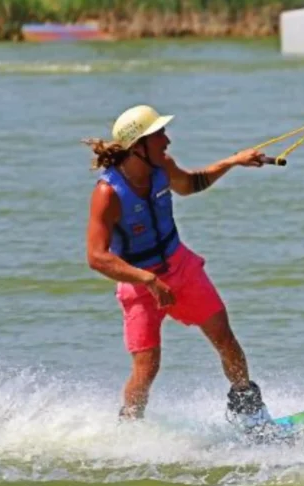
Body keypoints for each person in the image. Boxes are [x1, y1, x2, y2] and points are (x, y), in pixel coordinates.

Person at [83, 104, 274, 433]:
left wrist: (233, 161)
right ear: (139, 146)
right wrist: (147, 279)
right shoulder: (108, 193)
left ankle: (253, 420)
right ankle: (128, 432)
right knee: (147, 366)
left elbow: (192, 184)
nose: (167, 140)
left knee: (225, 339)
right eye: (159, 135)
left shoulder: (162, 167)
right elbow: (97, 256)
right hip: (139, 282)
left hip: (180, 266)